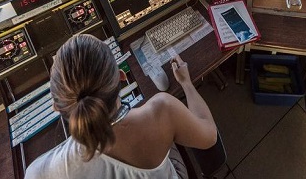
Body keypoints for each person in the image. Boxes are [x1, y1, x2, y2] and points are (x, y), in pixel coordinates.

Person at [25, 34, 218, 178]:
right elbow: (209, 137)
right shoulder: (163, 110)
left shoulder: (36, 172)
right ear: (121, 77)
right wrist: (187, 84)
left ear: (57, 108)